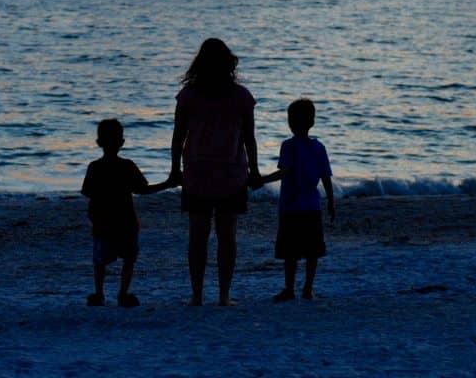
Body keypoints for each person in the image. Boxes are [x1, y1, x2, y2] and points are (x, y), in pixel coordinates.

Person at [170, 38, 260, 306]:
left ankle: (197, 295)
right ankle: (223, 295)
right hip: (231, 175)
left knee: (197, 237)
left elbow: (178, 137)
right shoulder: (241, 96)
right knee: (227, 237)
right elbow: (249, 139)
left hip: (197, 173)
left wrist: (175, 169)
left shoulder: (188, 95)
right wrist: (254, 171)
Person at [81, 118, 177, 307]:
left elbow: (88, 193)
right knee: (129, 258)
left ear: (98, 143)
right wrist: (167, 183)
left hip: (103, 222)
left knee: (99, 260)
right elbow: (143, 190)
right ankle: (122, 293)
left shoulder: (95, 167)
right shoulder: (127, 166)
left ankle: (99, 293)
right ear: (122, 143)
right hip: (126, 222)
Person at [253, 98, 335, 302]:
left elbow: (285, 172)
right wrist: (331, 201)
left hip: (290, 207)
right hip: (312, 206)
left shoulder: (288, 146)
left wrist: (260, 180)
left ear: (290, 122)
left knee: (290, 252)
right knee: (312, 251)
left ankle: (289, 288)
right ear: (312, 122)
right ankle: (308, 288)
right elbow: (326, 177)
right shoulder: (319, 147)